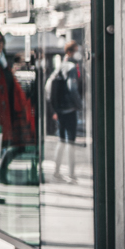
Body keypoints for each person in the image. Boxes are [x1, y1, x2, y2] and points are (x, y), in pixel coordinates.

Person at [46, 41, 83, 182]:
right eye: (76, 50)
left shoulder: (59, 66)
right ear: (71, 51)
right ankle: (71, 173)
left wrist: (54, 108)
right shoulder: (72, 67)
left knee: (61, 141)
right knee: (71, 142)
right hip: (69, 109)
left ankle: (56, 171)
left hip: (60, 110)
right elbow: (72, 88)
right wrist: (79, 105)